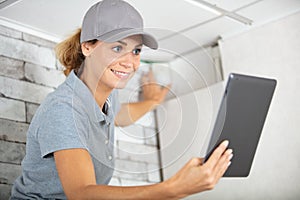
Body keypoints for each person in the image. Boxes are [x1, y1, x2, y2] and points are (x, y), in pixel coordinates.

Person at [10, 0, 233, 199]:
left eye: (136, 51)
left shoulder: (105, 92)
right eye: (117, 48)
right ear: (87, 46)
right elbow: (82, 193)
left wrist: (151, 101)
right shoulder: (64, 110)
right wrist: (172, 189)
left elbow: (119, 115)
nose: (130, 63)